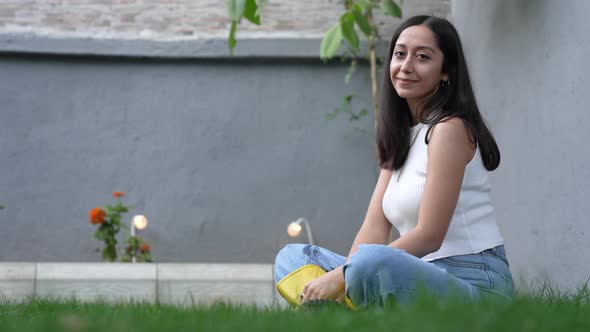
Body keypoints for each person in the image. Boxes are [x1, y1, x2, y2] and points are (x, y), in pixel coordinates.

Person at [274, 15, 515, 309]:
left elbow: (430, 235)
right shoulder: (402, 136)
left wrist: (344, 275)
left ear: (446, 72)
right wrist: (349, 275)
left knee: (372, 260)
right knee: (292, 257)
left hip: (474, 280)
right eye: (400, 54)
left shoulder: (449, 129)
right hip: (411, 274)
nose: (406, 66)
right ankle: (342, 309)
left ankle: (338, 312)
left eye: (422, 57)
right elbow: (374, 229)